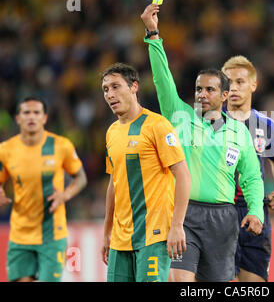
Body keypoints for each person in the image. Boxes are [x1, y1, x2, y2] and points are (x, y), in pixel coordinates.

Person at [141, 4, 265, 282]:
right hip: (185, 214)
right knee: (180, 280)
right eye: (199, 89)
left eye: (210, 89)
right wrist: (153, 34)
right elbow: (163, 79)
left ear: (224, 96)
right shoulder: (180, 116)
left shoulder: (238, 132)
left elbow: (252, 178)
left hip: (223, 218)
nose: (202, 94)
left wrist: (256, 211)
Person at [100, 62, 191, 282]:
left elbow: (183, 175)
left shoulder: (157, 126)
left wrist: (177, 225)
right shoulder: (112, 132)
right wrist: (107, 232)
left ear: (134, 87)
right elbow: (115, 183)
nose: (110, 94)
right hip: (121, 240)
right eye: (105, 89)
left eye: (115, 86)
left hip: (154, 234)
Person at [0, 96, 87, 282]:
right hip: (20, 232)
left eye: (36, 112)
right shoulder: (6, 150)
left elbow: (81, 178)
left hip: (52, 233)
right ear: (18, 118)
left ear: (44, 118)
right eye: (26, 112)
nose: (31, 117)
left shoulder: (61, 145)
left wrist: (65, 195)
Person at [221, 56, 274, 282]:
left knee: (254, 282)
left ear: (253, 85)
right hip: (220, 211)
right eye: (228, 82)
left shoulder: (265, 125)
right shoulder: (209, 123)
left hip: (256, 211)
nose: (233, 88)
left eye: (240, 82)